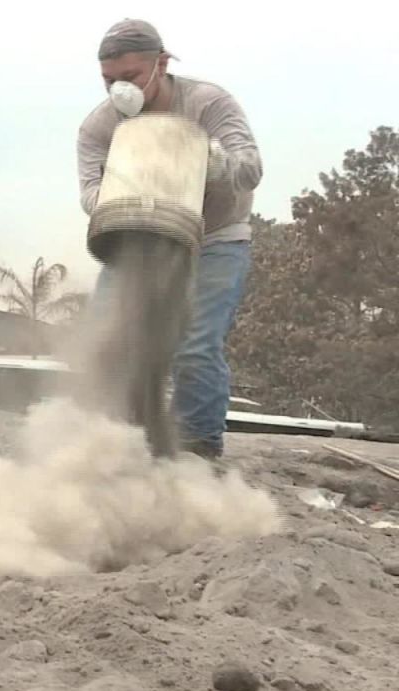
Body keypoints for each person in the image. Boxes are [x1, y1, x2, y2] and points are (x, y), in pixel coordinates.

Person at [78, 19, 262, 460]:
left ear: (161, 64)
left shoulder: (207, 103)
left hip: (214, 238)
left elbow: (251, 167)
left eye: (131, 77)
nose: (119, 90)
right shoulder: (100, 127)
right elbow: (88, 194)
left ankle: (197, 452)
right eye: (109, 81)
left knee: (194, 346)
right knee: (106, 341)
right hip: (134, 244)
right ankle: (121, 445)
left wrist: (214, 159)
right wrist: (115, 185)